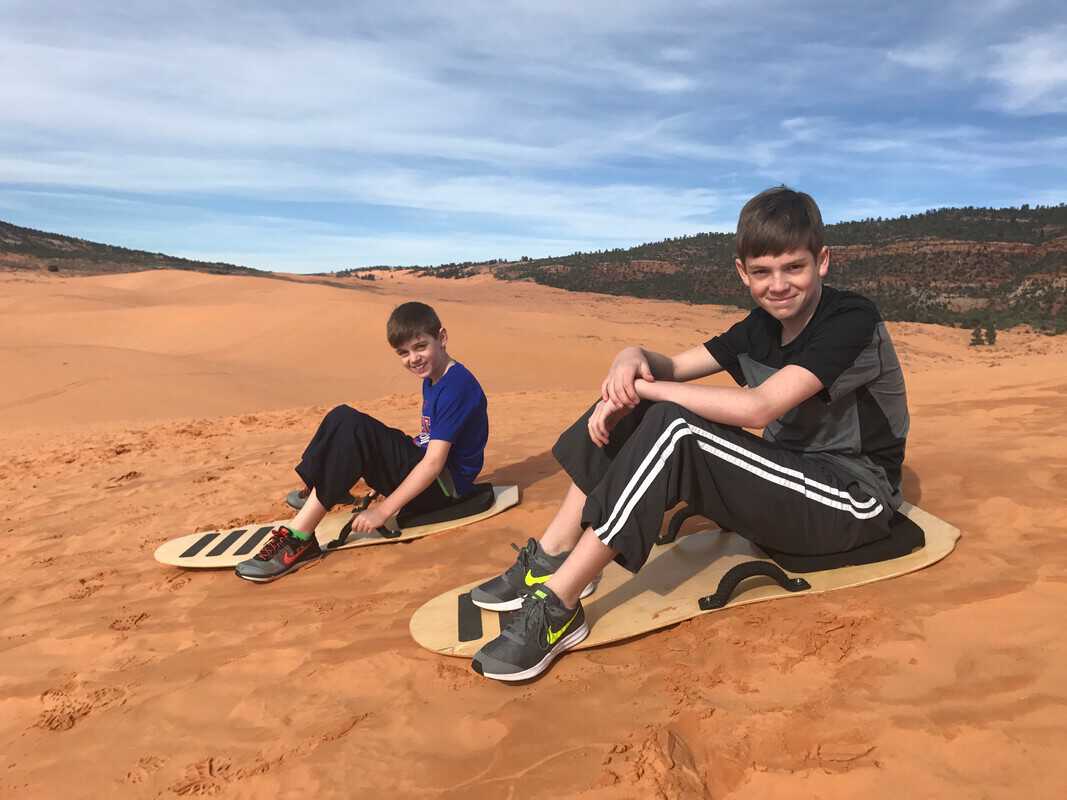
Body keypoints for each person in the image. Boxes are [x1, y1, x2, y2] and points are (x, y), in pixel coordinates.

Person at [469, 186, 909, 681]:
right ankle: (551, 556)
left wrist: (648, 390)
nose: (779, 284)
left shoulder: (850, 319)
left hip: (853, 499)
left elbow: (759, 407)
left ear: (822, 262)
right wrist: (629, 358)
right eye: (762, 272)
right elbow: (674, 365)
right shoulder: (761, 326)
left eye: (794, 267)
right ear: (743, 273)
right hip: (789, 479)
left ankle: (559, 608)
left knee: (671, 419)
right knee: (634, 400)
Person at [235, 301, 489, 582]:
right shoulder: (435, 377)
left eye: (420, 346)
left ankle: (299, 539)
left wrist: (383, 510)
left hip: (444, 489)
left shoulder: (456, 386)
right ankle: (322, 486)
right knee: (341, 416)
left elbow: (433, 464)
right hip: (430, 468)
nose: (412, 358)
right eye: (403, 353)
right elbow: (429, 440)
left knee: (353, 426)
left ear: (441, 337)